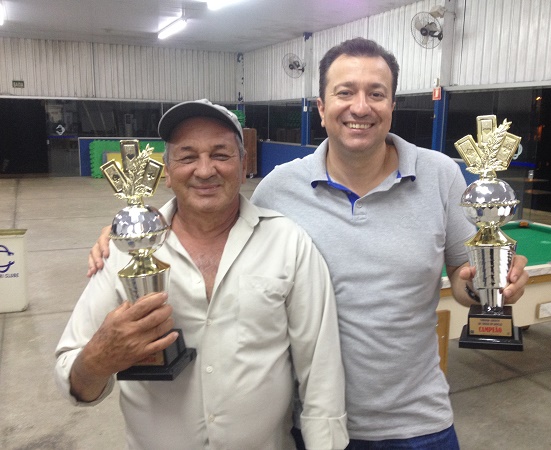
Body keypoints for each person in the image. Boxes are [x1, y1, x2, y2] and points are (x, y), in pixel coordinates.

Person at [88, 39, 529, 448]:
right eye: (345, 92)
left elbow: (462, 279)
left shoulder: (441, 175)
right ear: (321, 107)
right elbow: (211, 216)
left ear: (392, 105)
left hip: (417, 423)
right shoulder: (280, 187)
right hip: (307, 426)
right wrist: (134, 231)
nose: (360, 107)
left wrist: (490, 285)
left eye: (376, 93)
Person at [56, 99, 349, 450]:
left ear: (244, 165)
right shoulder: (124, 250)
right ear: (166, 171)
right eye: (188, 156)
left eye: (221, 155)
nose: (205, 170)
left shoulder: (288, 243)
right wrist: (99, 358)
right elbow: (73, 379)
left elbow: (320, 371)